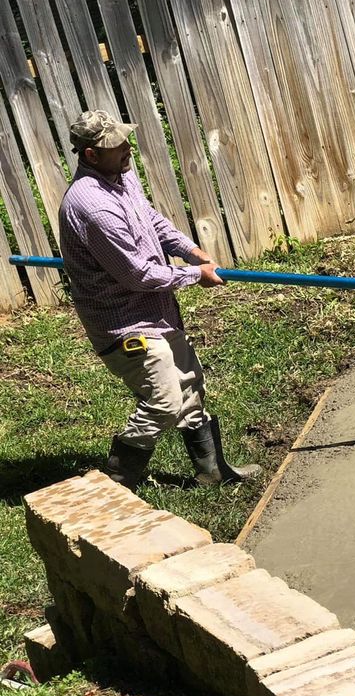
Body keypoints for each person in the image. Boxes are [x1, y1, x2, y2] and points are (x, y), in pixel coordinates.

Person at [57, 109, 261, 489]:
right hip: (122, 321)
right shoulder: (91, 207)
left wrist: (189, 249)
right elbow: (138, 274)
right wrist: (194, 275)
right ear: (90, 155)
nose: (126, 148)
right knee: (165, 400)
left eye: (124, 139)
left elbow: (150, 218)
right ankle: (118, 483)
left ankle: (212, 473)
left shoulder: (120, 175)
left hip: (156, 308)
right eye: (116, 145)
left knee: (189, 384)